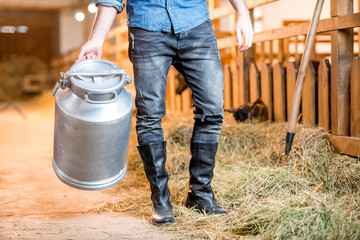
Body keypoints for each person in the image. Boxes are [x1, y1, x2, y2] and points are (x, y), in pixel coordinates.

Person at [78, 0, 254, 225]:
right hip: (147, 27)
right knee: (149, 115)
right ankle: (161, 201)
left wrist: (243, 12)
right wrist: (96, 39)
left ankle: (200, 194)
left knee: (212, 109)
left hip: (195, 25)